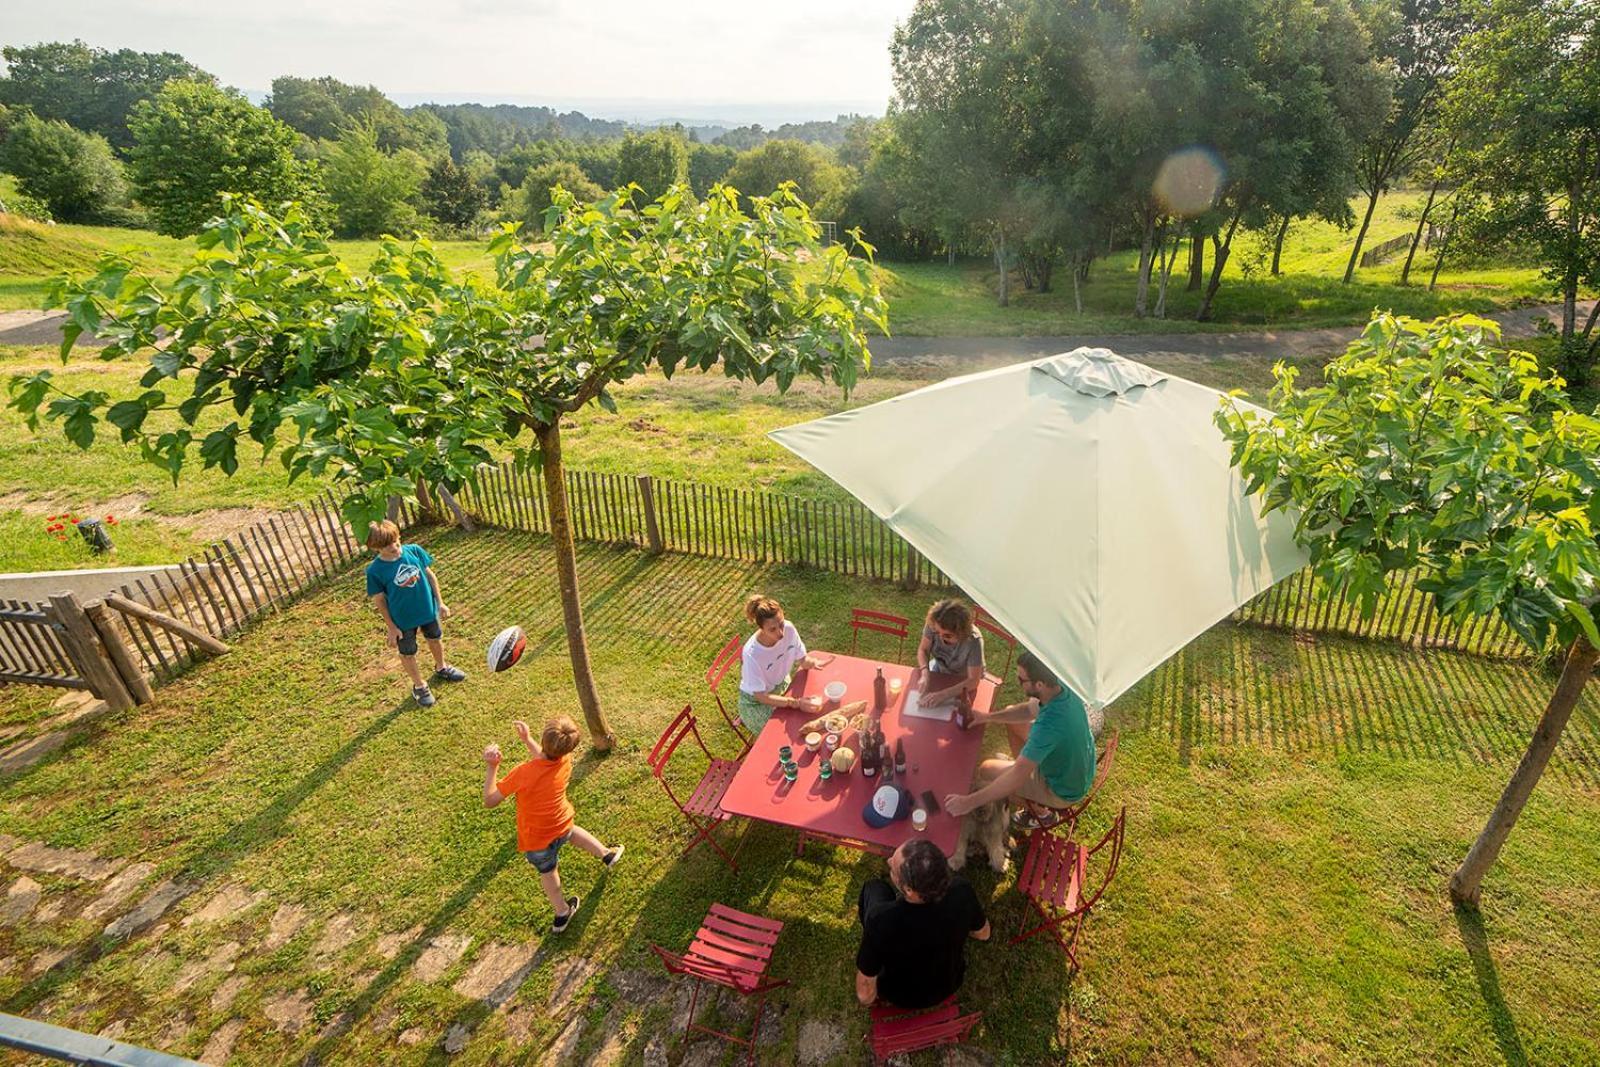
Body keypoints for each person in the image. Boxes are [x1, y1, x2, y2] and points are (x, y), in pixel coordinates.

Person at [482, 717, 624, 934]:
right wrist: (527, 739)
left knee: (549, 873)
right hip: (562, 822)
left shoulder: (523, 773)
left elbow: (490, 800)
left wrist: (493, 767)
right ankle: (606, 854)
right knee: (574, 834)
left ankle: (561, 912)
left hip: (537, 839)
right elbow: (546, 758)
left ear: (544, 739)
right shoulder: (566, 761)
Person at [943, 650, 1096, 828]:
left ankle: (1042, 814)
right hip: (1075, 768)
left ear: (1039, 684)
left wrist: (967, 803)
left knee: (987, 770)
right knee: (1013, 718)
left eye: (1022, 680)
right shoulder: (1061, 684)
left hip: (1063, 789)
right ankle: (1023, 764)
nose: (1018, 683)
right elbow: (1028, 710)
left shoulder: (1049, 725)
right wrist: (986, 717)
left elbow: (1016, 776)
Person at [855, 838, 990, 1010]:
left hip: (901, 996)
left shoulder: (881, 919)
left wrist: (868, 1001)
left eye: (893, 869)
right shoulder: (961, 889)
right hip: (950, 983)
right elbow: (983, 934)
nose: (888, 862)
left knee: (874, 888)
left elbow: (865, 993)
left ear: (909, 891)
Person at [365, 521, 466, 707]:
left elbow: (430, 576)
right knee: (408, 652)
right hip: (403, 621)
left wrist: (440, 603)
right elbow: (379, 601)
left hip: (428, 611)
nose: (394, 547)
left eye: (396, 541)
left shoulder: (414, 551)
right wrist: (391, 627)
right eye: (387, 546)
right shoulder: (375, 571)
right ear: (375, 548)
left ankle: (441, 667)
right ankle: (419, 686)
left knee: (435, 638)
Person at [736, 594, 827, 734]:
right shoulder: (752, 654)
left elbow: (802, 659)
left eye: (781, 624)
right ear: (761, 628)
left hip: (780, 684)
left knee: (805, 719)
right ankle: (744, 718)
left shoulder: (789, 629)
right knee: (779, 733)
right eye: (772, 629)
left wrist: (813, 662)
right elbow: (760, 696)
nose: (781, 633)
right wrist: (794, 703)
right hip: (756, 701)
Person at [913, 598, 985, 699]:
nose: (940, 637)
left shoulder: (973, 641)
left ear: (961, 633)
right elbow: (923, 650)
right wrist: (925, 673)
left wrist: (943, 695)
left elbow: (973, 680)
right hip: (939, 671)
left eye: (947, 635)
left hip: (962, 681)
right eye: (937, 632)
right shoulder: (933, 624)